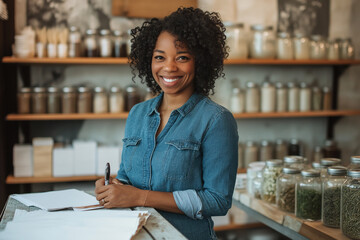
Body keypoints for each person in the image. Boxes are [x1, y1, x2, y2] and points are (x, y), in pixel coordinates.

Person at [95, 7, 238, 240]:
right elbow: (128, 178)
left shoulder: (216, 120)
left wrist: (138, 197)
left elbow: (218, 200)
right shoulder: (137, 114)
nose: (169, 67)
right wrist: (113, 188)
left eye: (182, 57)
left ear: (200, 62)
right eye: (159, 57)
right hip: (136, 234)